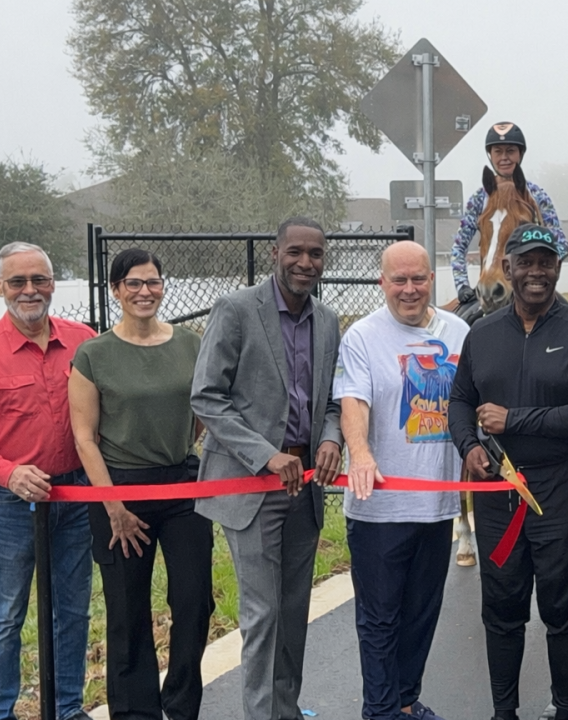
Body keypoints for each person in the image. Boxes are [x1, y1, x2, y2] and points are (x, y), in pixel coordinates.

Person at [447, 223, 568, 720]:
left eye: (546, 262)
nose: (536, 272)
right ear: (508, 268)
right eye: (526, 262)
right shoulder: (482, 333)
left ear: (558, 268)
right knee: (502, 603)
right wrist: (468, 445)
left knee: (563, 603)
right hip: (498, 489)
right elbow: (461, 400)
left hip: (562, 487)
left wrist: (514, 419)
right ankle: (504, 710)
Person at [190, 217, 345, 720]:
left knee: (294, 612)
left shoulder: (328, 320)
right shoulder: (236, 310)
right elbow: (207, 397)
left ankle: (286, 710)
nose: (306, 262)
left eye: (315, 254)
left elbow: (333, 400)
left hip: (306, 485)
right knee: (263, 613)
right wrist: (265, 454)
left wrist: (330, 438)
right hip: (251, 485)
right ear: (276, 253)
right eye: (295, 252)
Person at [0, 242, 96, 720]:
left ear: (53, 284)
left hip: (76, 495)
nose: (30, 290)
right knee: (7, 612)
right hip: (8, 504)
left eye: (40, 280)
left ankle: (67, 708)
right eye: (18, 281)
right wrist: (6, 472)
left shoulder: (84, 341)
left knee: (73, 609)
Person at [68, 248, 213, 720]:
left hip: (181, 488)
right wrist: (114, 507)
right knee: (128, 610)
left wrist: (179, 449)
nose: (144, 291)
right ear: (116, 290)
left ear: (162, 287)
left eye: (152, 282)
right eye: (133, 283)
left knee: (194, 601)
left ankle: (181, 704)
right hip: (119, 491)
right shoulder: (93, 355)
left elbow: (200, 412)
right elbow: (84, 438)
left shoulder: (190, 344)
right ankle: (136, 711)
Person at [335, 241, 469, 720]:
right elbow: (353, 401)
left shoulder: (458, 331)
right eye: (399, 280)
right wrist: (361, 453)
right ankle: (380, 711)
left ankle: (406, 703)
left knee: (420, 617)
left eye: (418, 279)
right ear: (383, 283)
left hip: (437, 506)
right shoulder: (363, 336)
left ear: (432, 279)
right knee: (380, 619)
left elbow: (470, 403)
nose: (409, 289)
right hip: (380, 508)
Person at [451, 122, 567, 306]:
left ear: (520, 154)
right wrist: (462, 285)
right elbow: (459, 247)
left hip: (531, 286)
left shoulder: (537, 196)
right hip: (490, 288)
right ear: (490, 156)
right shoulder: (479, 199)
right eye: (498, 152)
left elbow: (560, 244)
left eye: (510, 151)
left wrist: (539, 276)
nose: (504, 157)